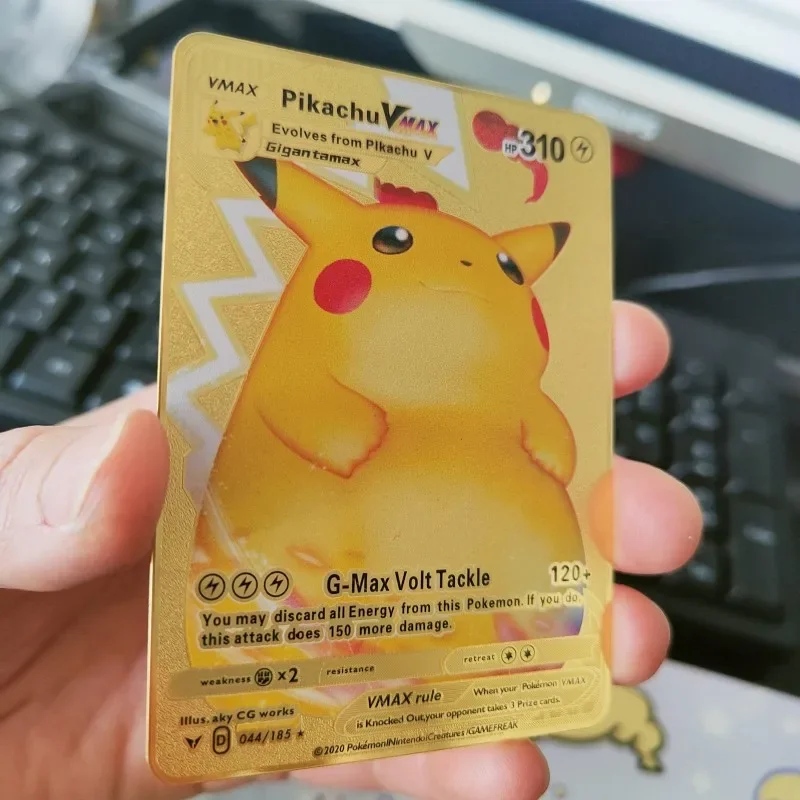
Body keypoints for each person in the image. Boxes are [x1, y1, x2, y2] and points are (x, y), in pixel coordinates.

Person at [0, 301, 701, 800]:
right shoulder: (305, 364)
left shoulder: (499, 373)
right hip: (294, 582)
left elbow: (539, 432)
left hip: (452, 597)